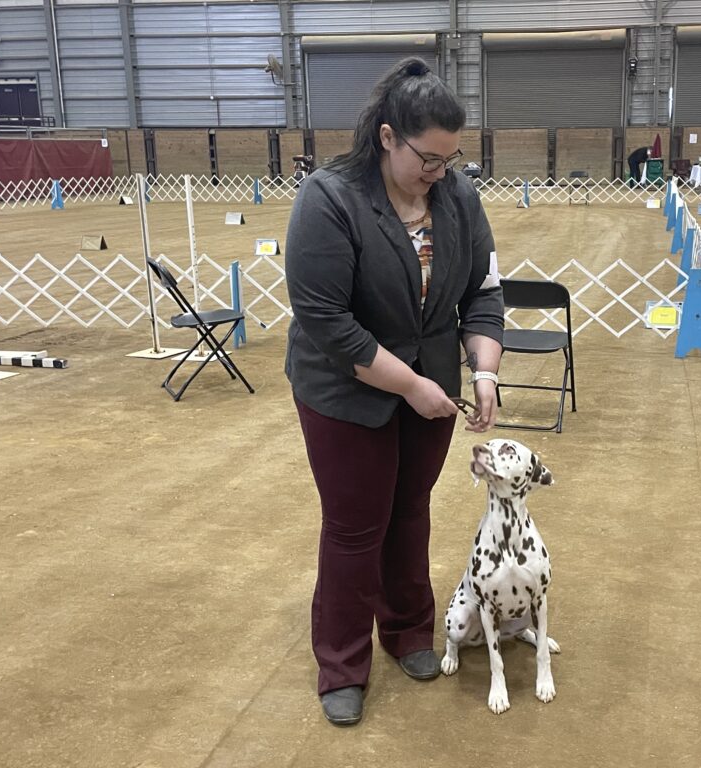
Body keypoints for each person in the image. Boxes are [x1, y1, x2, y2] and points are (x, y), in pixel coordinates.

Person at [283, 57, 505, 727]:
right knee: (355, 527)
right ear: (387, 137)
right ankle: (342, 664)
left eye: (450, 158)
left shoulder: (458, 197)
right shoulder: (329, 198)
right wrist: (409, 386)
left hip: (430, 386)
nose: (440, 172)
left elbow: (483, 294)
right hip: (345, 391)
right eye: (427, 158)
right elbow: (327, 322)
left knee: (410, 511)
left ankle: (408, 631)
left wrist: (484, 371)